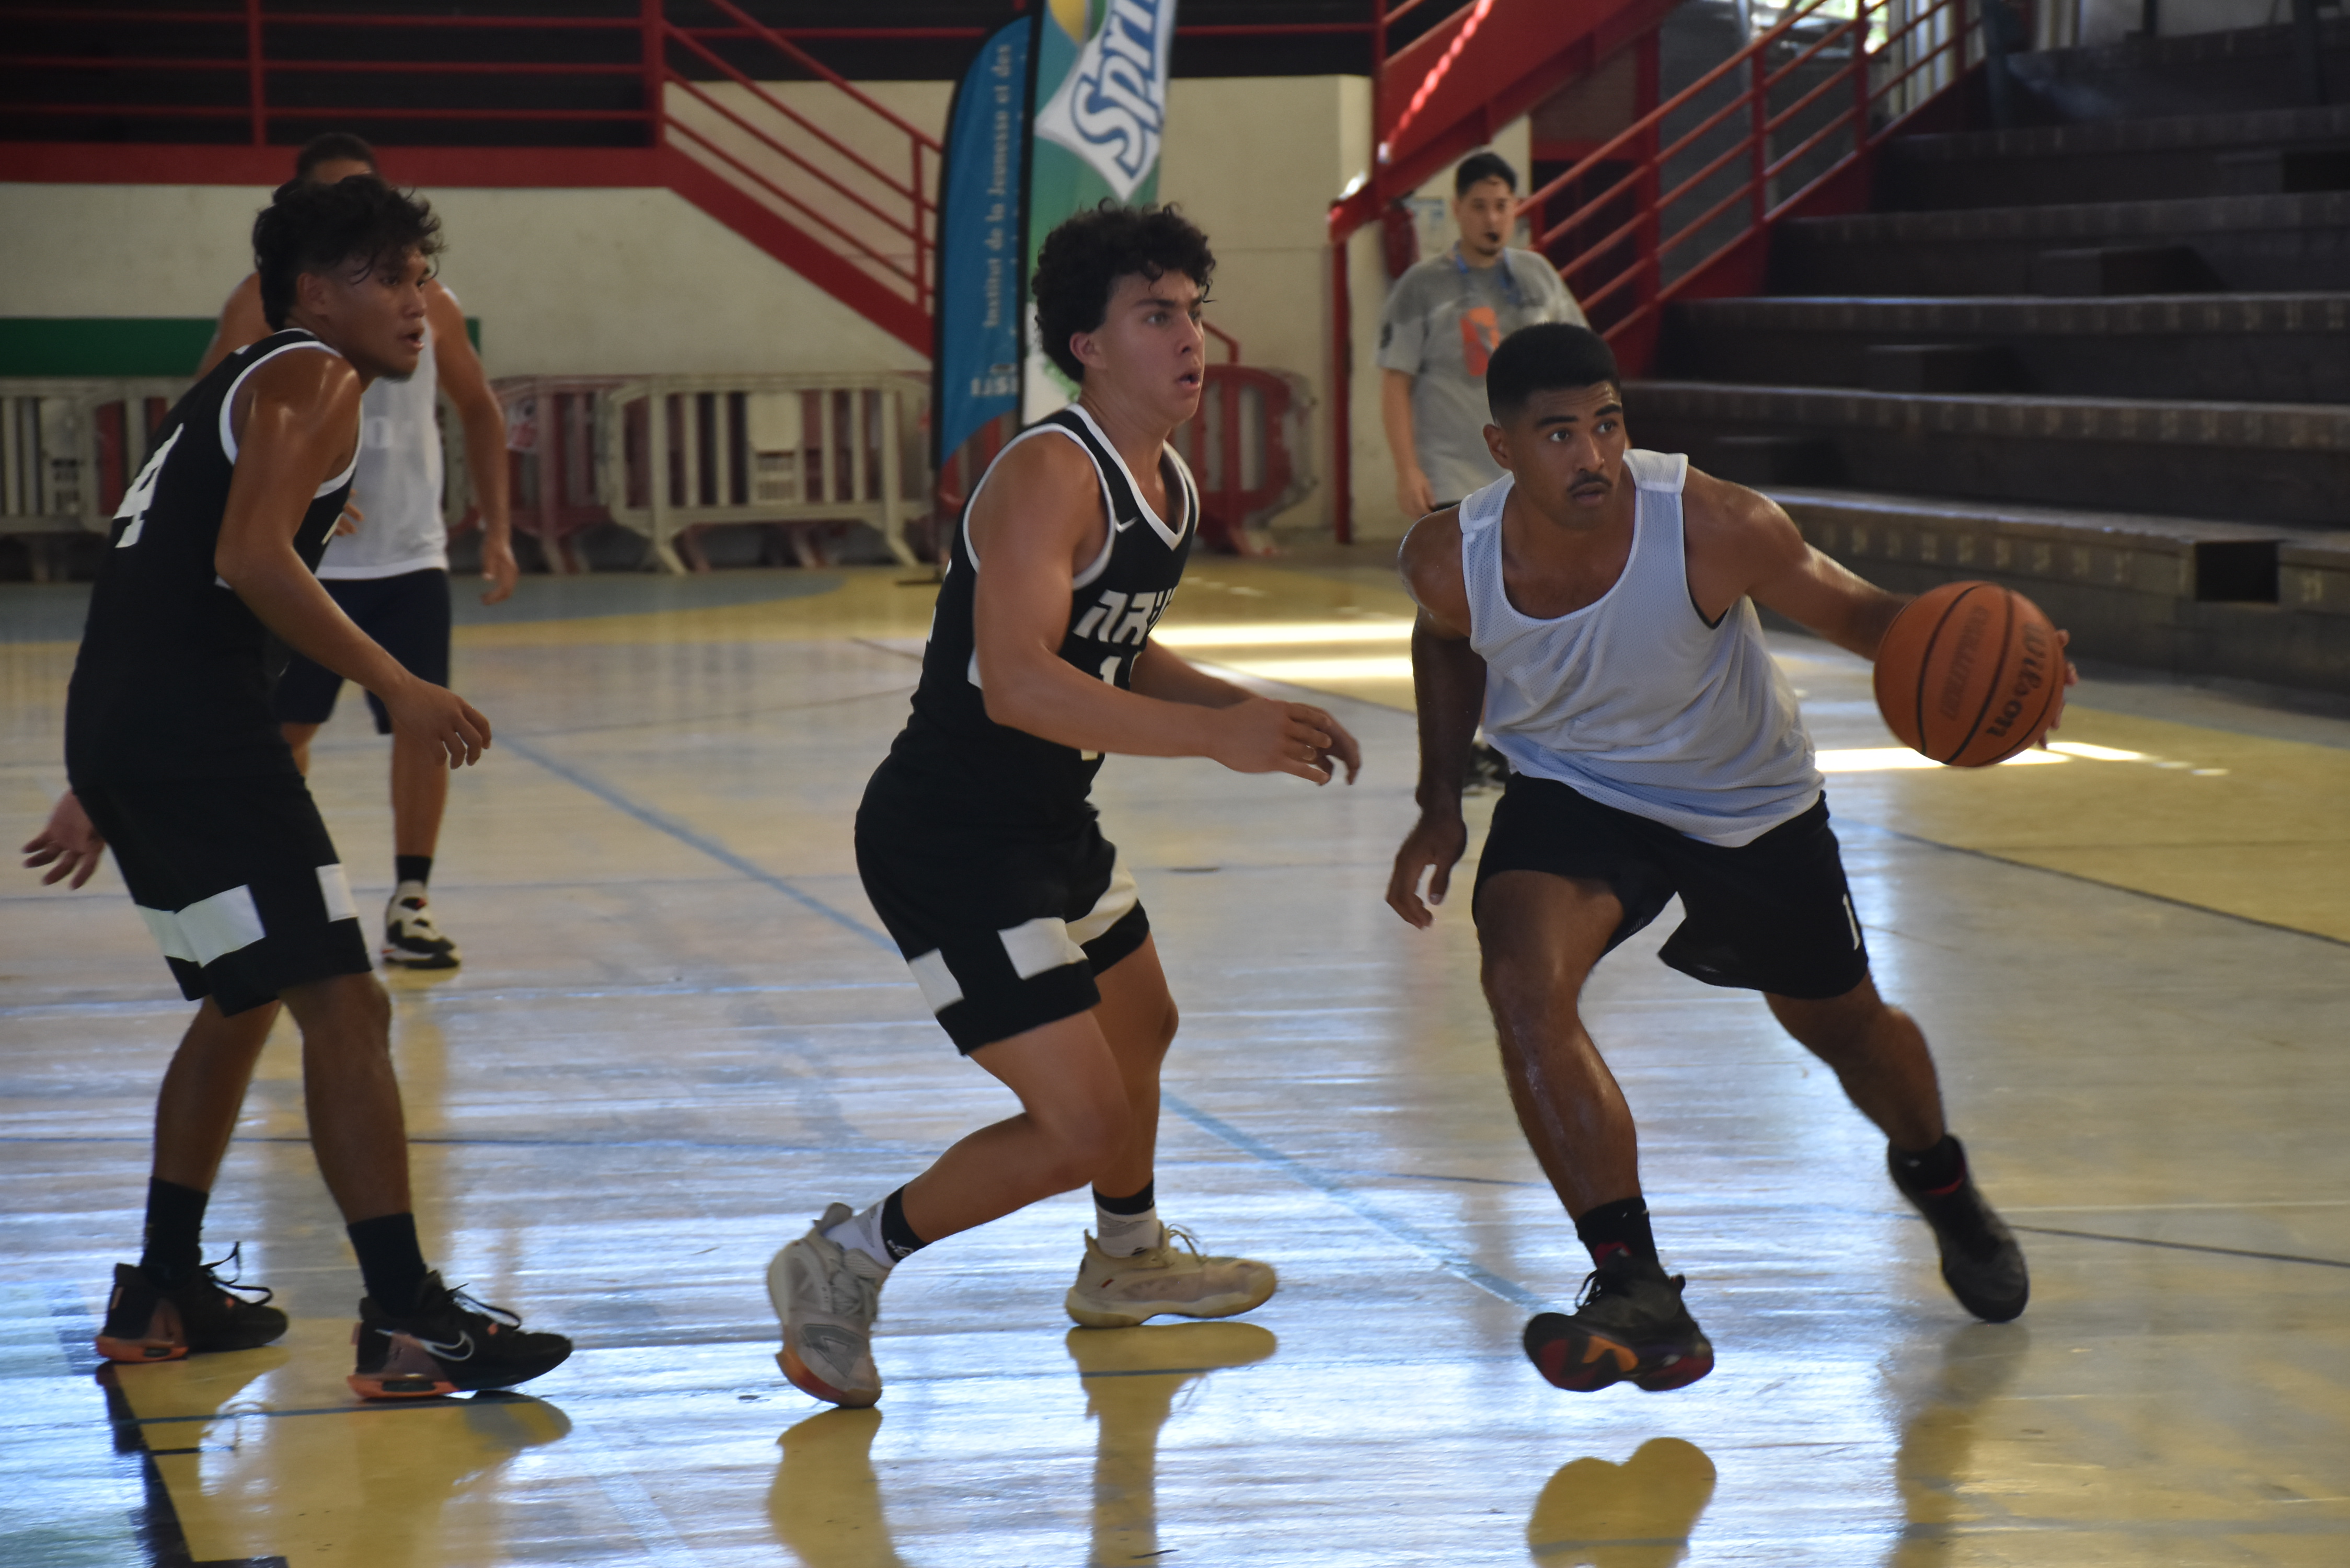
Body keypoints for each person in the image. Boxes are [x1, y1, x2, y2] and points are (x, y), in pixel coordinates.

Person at [768, 204, 1363, 1410]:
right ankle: (844, 1258)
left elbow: (1114, 650)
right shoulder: (1050, 470)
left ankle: (1125, 1260)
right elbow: (1021, 677)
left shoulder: (1169, 484)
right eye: (1156, 315)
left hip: (1048, 825)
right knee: (1082, 1120)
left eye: (1194, 310)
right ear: (1087, 344)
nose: (1189, 336)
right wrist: (1216, 740)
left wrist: (1250, 707)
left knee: (1142, 1022)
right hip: (951, 838)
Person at [1384, 323, 2044, 1395]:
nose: (1592, 456)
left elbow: (1873, 619)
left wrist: (2006, 664)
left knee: (1843, 1029)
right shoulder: (1447, 556)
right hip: (1575, 788)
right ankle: (1635, 1282)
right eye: (1560, 436)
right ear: (1502, 450)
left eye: (1606, 426)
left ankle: (1940, 1179)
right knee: (1519, 982)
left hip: (1746, 801)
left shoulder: (1710, 524)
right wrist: (1437, 803)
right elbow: (1444, 634)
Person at [22, 175, 568, 1400]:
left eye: (421, 273)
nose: (418, 302)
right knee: (346, 1006)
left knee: (244, 997)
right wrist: (402, 683)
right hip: (193, 733)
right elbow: (247, 560)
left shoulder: (246, 387)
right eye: (386, 275)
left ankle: (163, 1285)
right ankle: (407, 1317)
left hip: (136, 725)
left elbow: (175, 576)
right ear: (314, 291)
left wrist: (102, 776)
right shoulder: (309, 374)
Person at [197, 132, 517, 972]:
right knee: (287, 725)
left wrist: (499, 527)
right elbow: (206, 416)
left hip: (409, 552)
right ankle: (280, 884)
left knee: (422, 722)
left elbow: (481, 409)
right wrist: (286, 499)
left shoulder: (425, 304)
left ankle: (411, 899)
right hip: (305, 564)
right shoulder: (269, 319)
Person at [1378, 150, 1586, 523]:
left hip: (1532, 472)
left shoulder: (1537, 275)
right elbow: (1395, 383)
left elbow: (1582, 363)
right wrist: (1407, 469)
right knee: (1466, 577)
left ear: (1515, 209)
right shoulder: (1422, 286)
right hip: (1452, 476)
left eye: (1501, 206)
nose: (1491, 218)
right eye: (1478, 206)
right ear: (1457, 209)